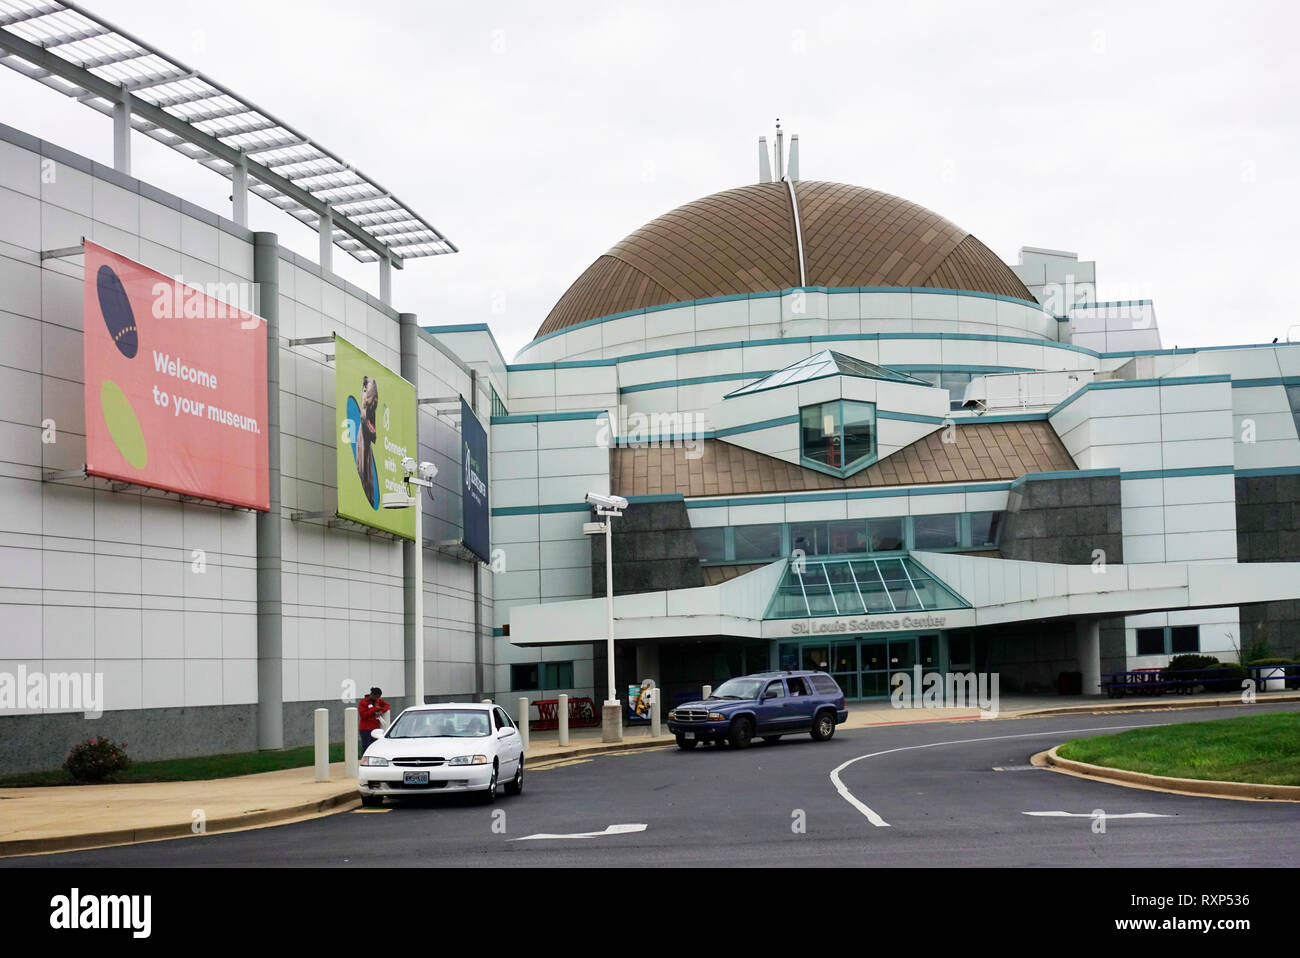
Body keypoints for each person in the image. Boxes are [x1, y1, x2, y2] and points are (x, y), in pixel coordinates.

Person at [358, 686, 390, 754]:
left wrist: (381, 711)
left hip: (375, 729)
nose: (378, 699)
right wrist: (374, 709)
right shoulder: (363, 702)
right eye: (377, 697)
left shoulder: (378, 700)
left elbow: (387, 705)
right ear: (372, 695)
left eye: (379, 697)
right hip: (365, 729)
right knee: (366, 747)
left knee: (375, 746)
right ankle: (365, 761)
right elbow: (363, 715)